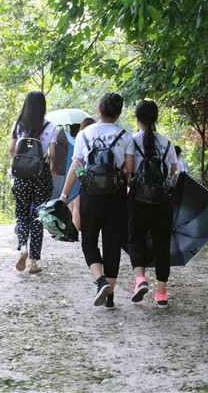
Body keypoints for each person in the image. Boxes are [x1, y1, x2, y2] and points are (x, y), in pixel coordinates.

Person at [60, 93, 134, 309]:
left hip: (90, 195)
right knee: (112, 245)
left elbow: (76, 166)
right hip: (116, 196)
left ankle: (100, 281)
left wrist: (64, 196)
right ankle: (110, 297)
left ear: (99, 110)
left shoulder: (84, 134)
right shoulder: (126, 136)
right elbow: (129, 170)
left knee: (89, 242)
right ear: (119, 113)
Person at [128, 100, 178, 308]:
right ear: (156, 118)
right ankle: (161, 293)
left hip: (138, 200)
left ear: (137, 119)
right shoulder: (166, 143)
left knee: (135, 240)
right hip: (161, 202)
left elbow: (128, 171)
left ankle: (140, 279)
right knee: (162, 245)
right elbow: (173, 172)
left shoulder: (132, 141)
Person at [9, 91, 57, 274]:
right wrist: (52, 166)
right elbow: (53, 153)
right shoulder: (50, 126)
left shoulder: (19, 124)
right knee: (38, 216)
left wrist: (15, 164)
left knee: (22, 215)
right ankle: (33, 263)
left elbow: (11, 148)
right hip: (41, 174)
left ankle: (23, 247)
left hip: (22, 174)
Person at [68, 117, 96, 231]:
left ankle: (75, 229)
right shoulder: (94, 140)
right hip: (91, 177)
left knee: (76, 205)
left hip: (78, 175)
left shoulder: (78, 140)